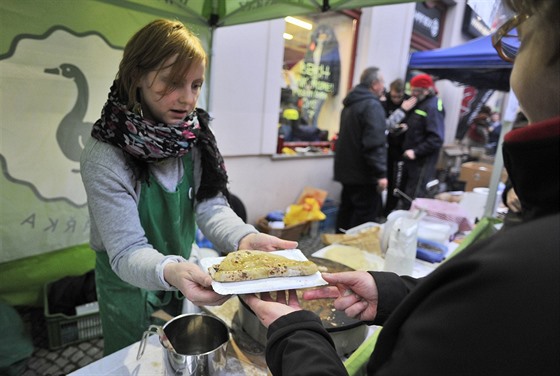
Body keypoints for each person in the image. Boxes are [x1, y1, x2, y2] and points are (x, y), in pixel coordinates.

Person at [242, 0, 560, 374]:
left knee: (355, 213)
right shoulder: (531, 250)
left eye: (519, 29)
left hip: (386, 170)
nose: (509, 47)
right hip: (374, 173)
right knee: (354, 214)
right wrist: (394, 294)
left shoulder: (530, 263)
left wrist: (292, 329)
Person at [80, 19, 297, 355]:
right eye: (172, 82)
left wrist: (244, 238)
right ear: (136, 76)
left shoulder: (192, 137)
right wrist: (169, 270)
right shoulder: (105, 155)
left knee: (175, 351)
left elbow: (210, 206)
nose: (187, 99)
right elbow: (126, 251)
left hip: (182, 269)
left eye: (196, 85)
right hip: (127, 281)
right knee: (133, 360)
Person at [334, 67, 388, 232]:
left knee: (346, 212)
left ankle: (337, 250)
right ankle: (352, 255)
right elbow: (374, 143)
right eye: (382, 82)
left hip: (347, 171)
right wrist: (380, 174)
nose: (384, 86)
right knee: (362, 221)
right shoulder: (372, 105)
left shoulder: (351, 104)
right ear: (375, 84)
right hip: (364, 174)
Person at [397, 73, 445, 209]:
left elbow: (436, 138)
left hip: (421, 163)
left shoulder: (432, 107)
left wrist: (416, 151)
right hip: (411, 162)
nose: (413, 93)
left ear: (426, 89)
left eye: (416, 90)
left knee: (413, 199)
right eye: (411, 90)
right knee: (405, 195)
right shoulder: (421, 103)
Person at [382, 78, 417, 217]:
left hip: (403, 148)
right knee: (388, 180)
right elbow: (385, 124)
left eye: (399, 97)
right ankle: (386, 210)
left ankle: (394, 208)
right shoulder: (385, 102)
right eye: (394, 96)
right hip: (388, 147)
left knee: (399, 182)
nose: (396, 99)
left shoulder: (409, 102)